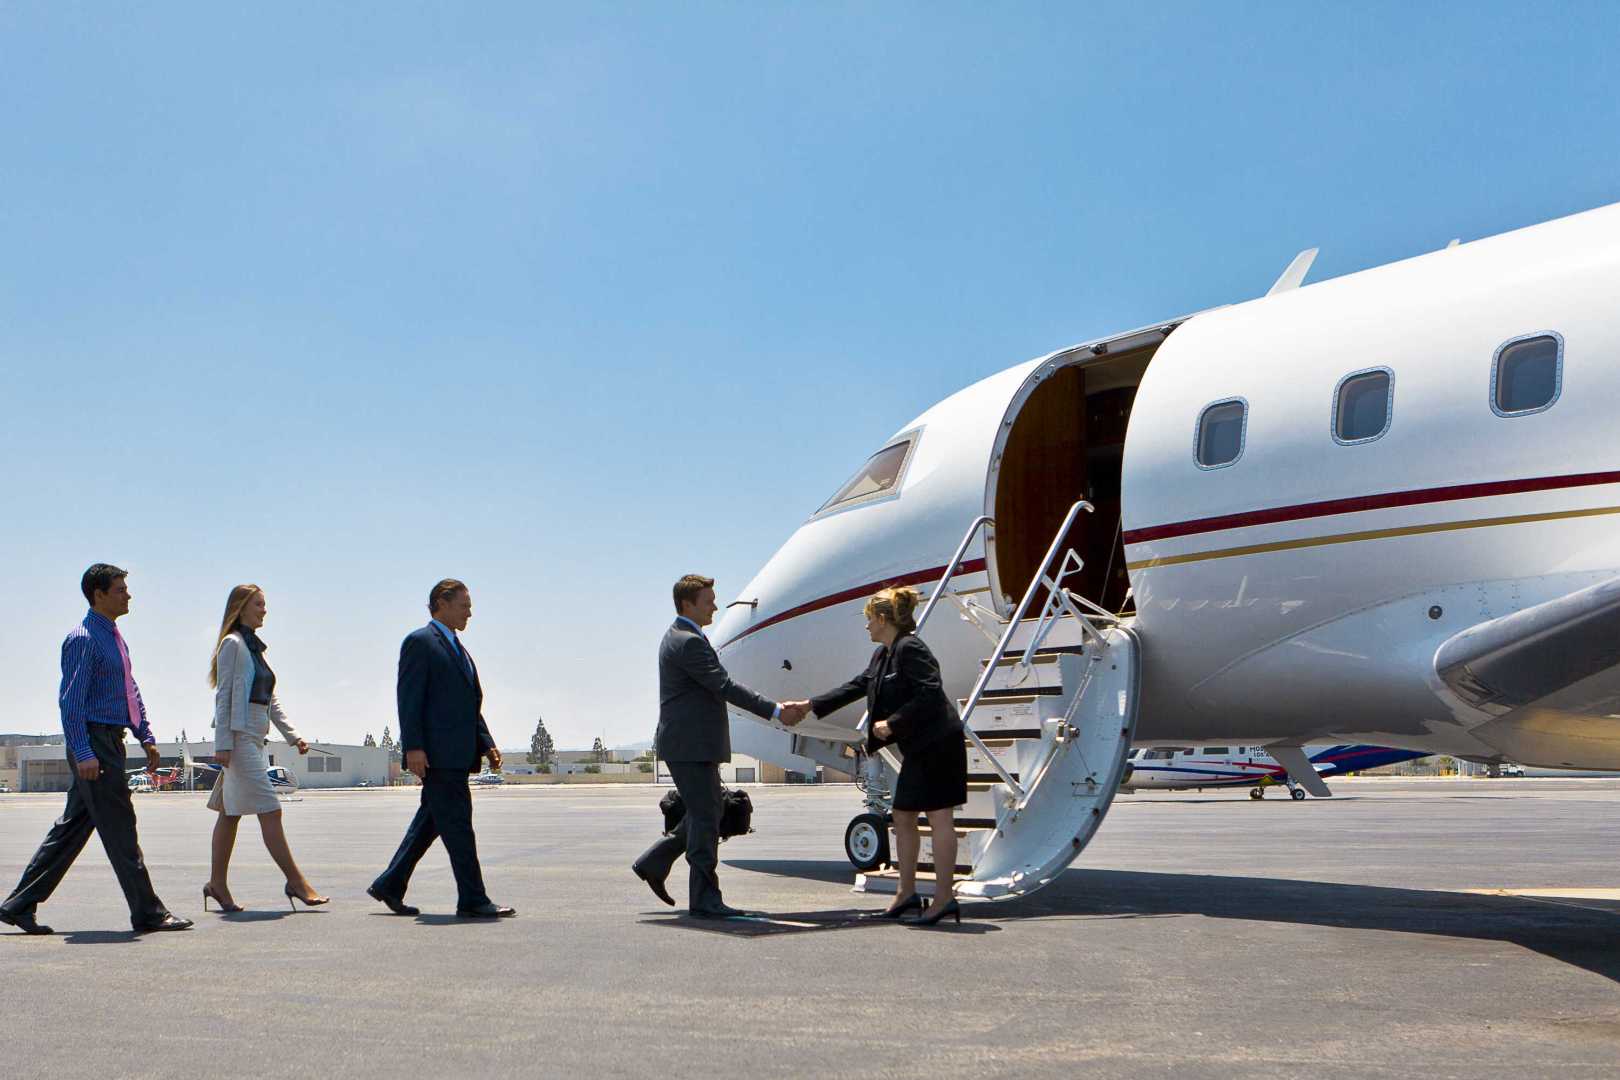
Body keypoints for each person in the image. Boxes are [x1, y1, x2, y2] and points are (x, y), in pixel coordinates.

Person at [0, 565, 192, 935]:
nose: (128, 594)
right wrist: (84, 752)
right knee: (121, 827)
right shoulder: (83, 639)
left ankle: (19, 904)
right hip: (94, 742)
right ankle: (148, 912)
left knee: (72, 829)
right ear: (98, 594)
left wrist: (145, 734)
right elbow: (71, 704)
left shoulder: (115, 638)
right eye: (120, 589)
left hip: (110, 739)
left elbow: (128, 688)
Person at [788, 586, 967, 926]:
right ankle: (907, 892)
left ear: (884, 620)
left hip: (940, 743)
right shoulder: (884, 655)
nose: (867, 626)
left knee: (939, 817)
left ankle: (945, 899)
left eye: (869, 619)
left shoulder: (910, 648)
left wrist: (893, 723)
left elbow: (931, 692)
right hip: (920, 747)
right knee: (902, 816)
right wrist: (809, 705)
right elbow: (858, 686)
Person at [631, 574, 806, 917]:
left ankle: (655, 861)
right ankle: (705, 898)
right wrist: (774, 710)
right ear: (688, 604)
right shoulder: (687, 641)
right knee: (707, 816)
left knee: (705, 812)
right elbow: (723, 685)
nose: (714, 606)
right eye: (708, 600)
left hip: (690, 744)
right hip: (690, 745)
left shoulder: (682, 636)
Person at [368, 579, 512, 919]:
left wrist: (487, 743)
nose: (470, 613)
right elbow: (409, 700)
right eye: (464, 605)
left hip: (458, 754)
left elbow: (468, 705)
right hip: (438, 754)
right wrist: (414, 747)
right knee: (459, 826)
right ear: (441, 604)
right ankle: (473, 898)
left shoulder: (458, 649)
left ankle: (390, 884)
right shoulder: (420, 643)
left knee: (430, 823)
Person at [202, 584, 328, 913]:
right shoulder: (233, 645)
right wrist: (223, 745)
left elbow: (270, 700)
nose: (264, 610)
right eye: (259, 604)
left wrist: (293, 735)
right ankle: (296, 882)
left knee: (229, 815)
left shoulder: (255, 649)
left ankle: (217, 884)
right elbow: (224, 695)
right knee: (271, 809)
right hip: (239, 739)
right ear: (241, 607)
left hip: (255, 740)